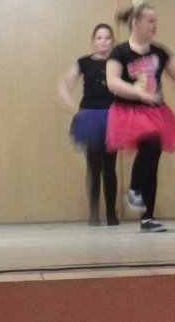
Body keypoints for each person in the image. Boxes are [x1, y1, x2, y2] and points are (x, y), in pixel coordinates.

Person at [105, 2, 175, 232]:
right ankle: (134, 191)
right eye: (150, 21)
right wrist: (139, 93)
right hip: (129, 112)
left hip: (155, 111)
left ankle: (147, 218)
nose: (155, 25)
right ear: (135, 23)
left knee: (152, 159)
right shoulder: (120, 52)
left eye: (155, 21)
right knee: (151, 143)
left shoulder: (159, 52)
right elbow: (113, 82)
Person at [57, 23, 119, 226]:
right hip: (90, 117)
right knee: (94, 167)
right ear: (93, 41)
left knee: (110, 167)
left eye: (107, 38)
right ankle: (94, 214)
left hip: (112, 116)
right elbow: (64, 84)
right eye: (99, 38)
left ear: (112, 41)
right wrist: (74, 109)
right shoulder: (84, 62)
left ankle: (111, 214)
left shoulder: (118, 62)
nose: (104, 41)